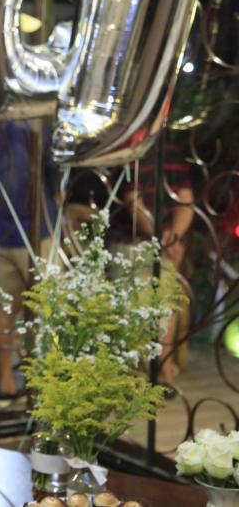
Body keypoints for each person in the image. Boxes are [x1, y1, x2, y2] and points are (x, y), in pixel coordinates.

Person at [0, 121, 57, 407]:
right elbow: (49, 171)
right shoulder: (34, 125)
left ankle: (6, 384)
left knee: (7, 309)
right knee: (47, 308)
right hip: (36, 229)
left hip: (6, 230)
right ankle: (45, 386)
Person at [109, 140, 194, 389]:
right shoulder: (128, 150)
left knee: (165, 304)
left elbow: (185, 200)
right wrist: (166, 238)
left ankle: (162, 372)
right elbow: (133, 203)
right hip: (132, 243)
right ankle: (149, 375)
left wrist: (172, 237)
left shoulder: (169, 150)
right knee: (136, 308)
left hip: (162, 243)